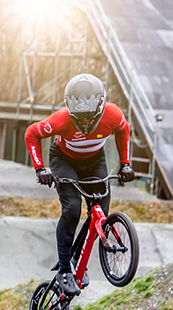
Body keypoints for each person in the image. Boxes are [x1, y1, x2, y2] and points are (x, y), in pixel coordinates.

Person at [25, 73, 136, 296]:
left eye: (90, 117)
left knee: (100, 212)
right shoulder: (60, 119)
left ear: (101, 108)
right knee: (72, 209)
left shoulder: (113, 114)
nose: (86, 122)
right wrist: (40, 169)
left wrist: (125, 164)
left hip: (94, 161)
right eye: (80, 117)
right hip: (64, 161)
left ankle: (78, 260)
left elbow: (124, 131)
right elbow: (31, 134)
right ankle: (64, 270)